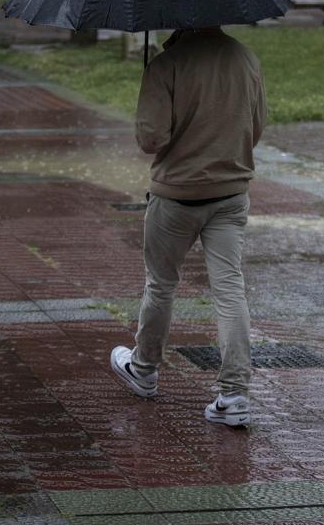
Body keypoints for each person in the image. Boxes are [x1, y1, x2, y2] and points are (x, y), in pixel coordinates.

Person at [109, 27, 267, 428]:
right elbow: (257, 125)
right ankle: (234, 395)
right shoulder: (244, 58)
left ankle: (143, 370)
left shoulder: (165, 66)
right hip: (230, 194)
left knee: (161, 284)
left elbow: (151, 138)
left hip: (175, 196)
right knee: (230, 289)